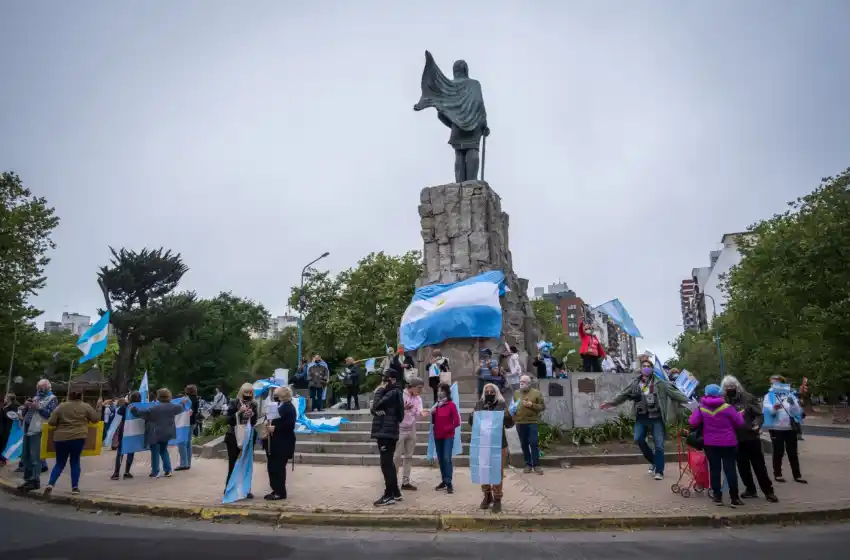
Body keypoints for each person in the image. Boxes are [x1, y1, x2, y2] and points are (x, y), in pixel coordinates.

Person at [601, 359, 689, 480]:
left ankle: (659, 471)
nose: (646, 368)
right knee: (638, 439)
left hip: (656, 417)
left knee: (659, 445)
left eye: (648, 366)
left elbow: (674, 393)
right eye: (644, 366)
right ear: (641, 368)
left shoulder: (660, 383)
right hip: (641, 417)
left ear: (652, 369)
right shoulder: (635, 383)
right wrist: (611, 403)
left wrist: (688, 401)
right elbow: (623, 394)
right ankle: (653, 461)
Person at [722, 376, 778, 503]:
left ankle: (768, 491)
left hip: (751, 436)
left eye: (732, 387)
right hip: (735, 438)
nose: (730, 389)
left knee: (759, 466)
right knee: (742, 467)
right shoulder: (724, 401)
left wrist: (757, 424)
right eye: (727, 387)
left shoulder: (748, 398)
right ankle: (750, 489)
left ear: (737, 386)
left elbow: (759, 414)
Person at [689, 384, 745, 507]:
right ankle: (734, 498)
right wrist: (740, 414)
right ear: (720, 394)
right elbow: (740, 423)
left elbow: (692, 422)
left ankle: (717, 497)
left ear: (706, 394)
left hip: (710, 443)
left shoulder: (701, 408)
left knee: (714, 470)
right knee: (730, 469)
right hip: (728, 443)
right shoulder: (728, 407)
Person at [42, 388, 101, 496]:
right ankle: (74, 487)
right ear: (81, 396)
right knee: (75, 462)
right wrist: (98, 409)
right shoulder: (85, 406)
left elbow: (51, 422)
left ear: (69, 396)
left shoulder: (61, 406)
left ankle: (51, 483)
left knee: (59, 463)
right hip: (78, 437)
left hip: (60, 438)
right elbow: (95, 419)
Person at [470, 383, 514, 513]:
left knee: (496, 472)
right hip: (482, 442)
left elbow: (509, 424)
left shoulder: (501, 405)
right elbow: (472, 423)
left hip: (498, 443)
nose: (489, 393)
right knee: (483, 470)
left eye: (492, 391)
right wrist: (472, 416)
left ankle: (497, 498)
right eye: (487, 391)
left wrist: (507, 415)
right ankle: (487, 495)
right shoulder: (479, 404)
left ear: (496, 392)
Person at [130, 388, 185, 479]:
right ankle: (168, 470)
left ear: (158, 396)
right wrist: (183, 402)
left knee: (155, 452)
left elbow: (140, 414)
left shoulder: (154, 408)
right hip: (167, 432)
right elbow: (182, 407)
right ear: (169, 396)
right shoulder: (173, 407)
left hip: (154, 433)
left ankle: (155, 472)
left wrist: (133, 409)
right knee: (163, 451)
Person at [370, 370, 405, 506]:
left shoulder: (393, 392)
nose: (383, 382)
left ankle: (389, 494)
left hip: (387, 432)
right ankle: (395, 492)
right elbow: (374, 410)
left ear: (393, 379)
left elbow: (376, 405)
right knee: (388, 463)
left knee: (386, 464)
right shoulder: (393, 393)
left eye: (385, 379)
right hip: (386, 431)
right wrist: (377, 410)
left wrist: (379, 390)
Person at [763, 375, 806, 484]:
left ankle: (797, 475)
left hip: (790, 427)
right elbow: (768, 411)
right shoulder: (768, 396)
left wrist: (792, 403)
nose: (773, 385)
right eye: (772, 383)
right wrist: (774, 408)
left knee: (792, 452)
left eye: (776, 383)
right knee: (778, 452)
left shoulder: (790, 395)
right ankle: (778, 474)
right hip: (776, 428)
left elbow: (797, 412)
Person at [18, 379, 58, 492]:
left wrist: (39, 408)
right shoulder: (35, 397)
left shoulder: (52, 399)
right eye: (38, 387)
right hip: (27, 429)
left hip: (38, 429)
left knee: (35, 457)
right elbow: (26, 413)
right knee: (25, 456)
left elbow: (51, 415)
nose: (39, 390)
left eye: (42, 387)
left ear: (47, 388)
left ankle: (35, 480)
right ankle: (27, 480)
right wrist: (26, 406)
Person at [225, 383, 259, 495]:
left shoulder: (254, 404)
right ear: (241, 392)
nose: (248, 395)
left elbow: (254, 422)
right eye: (246, 392)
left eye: (250, 393)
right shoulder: (234, 403)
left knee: (246, 463)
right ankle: (230, 488)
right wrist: (238, 412)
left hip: (248, 437)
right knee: (233, 463)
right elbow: (228, 420)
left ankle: (245, 489)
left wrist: (252, 415)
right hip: (233, 436)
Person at [395, 376, 427, 491]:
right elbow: (393, 411)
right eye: (419, 388)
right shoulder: (400, 395)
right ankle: (393, 482)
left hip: (411, 428)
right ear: (411, 386)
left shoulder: (418, 398)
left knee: (409, 456)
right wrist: (403, 408)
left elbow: (419, 410)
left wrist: (422, 413)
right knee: (396, 457)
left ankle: (405, 481)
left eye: (422, 388)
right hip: (399, 428)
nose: (420, 391)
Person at [265, 385, 297, 500]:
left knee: (278, 467)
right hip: (275, 442)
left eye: (277, 395)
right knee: (273, 467)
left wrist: (275, 428)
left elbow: (289, 425)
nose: (275, 397)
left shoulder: (289, 407)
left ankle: (280, 492)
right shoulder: (280, 406)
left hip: (283, 442)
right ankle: (275, 489)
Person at [512, 375, 546, 474]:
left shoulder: (536, 393)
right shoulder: (516, 393)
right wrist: (512, 412)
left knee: (533, 442)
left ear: (529, 383)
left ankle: (536, 465)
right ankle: (528, 464)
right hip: (520, 422)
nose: (521, 383)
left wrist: (532, 405)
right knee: (524, 444)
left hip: (532, 422)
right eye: (520, 381)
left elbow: (542, 407)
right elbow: (513, 405)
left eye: (524, 382)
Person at [431, 382, 461, 493]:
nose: (440, 393)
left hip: (448, 435)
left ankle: (449, 482)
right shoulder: (436, 406)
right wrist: (432, 413)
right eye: (438, 390)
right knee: (440, 458)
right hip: (438, 435)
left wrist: (448, 428)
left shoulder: (451, 405)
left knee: (447, 458)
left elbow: (457, 421)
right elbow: (434, 421)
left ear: (447, 392)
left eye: (442, 390)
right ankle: (444, 480)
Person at [111, 392, 141, 480]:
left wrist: (125, 403)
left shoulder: (127, 406)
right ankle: (127, 471)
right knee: (131, 451)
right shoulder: (140, 406)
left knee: (120, 452)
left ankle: (116, 472)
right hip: (134, 431)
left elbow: (119, 412)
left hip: (124, 430)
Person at [177, 384, 200, 470]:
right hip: (193, 422)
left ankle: (183, 463)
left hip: (185, 422)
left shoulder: (186, 400)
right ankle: (188, 462)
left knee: (182, 442)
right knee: (188, 443)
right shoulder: (196, 399)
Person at [0, 393, 17, 466]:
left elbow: (9, 417)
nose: (4, 399)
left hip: (7, 429)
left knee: (3, 444)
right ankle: (2, 460)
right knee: (2, 444)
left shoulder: (12, 408)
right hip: (3, 428)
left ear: (8, 399)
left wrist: (4, 410)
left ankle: (2, 460)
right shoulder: (5, 407)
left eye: (5, 398)